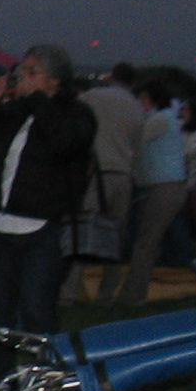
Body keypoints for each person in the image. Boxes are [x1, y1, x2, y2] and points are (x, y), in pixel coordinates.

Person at [0, 46, 95, 380]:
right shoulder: (15, 111)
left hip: (43, 229)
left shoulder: (76, 114)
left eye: (33, 72)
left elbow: (65, 143)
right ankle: (0, 382)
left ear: (54, 80)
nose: (23, 77)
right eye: (22, 71)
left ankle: (48, 380)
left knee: (36, 310)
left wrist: (38, 100)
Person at [65, 60, 144, 302]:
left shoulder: (93, 97)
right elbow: (138, 148)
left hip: (96, 173)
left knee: (82, 232)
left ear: (111, 77)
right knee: (114, 237)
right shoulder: (136, 106)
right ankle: (107, 292)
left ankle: (68, 291)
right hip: (123, 175)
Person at [110, 78, 188, 307]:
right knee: (148, 240)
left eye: (142, 98)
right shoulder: (165, 118)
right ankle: (134, 292)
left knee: (146, 243)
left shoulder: (159, 120)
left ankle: (133, 295)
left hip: (164, 188)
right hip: (165, 186)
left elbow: (135, 140)